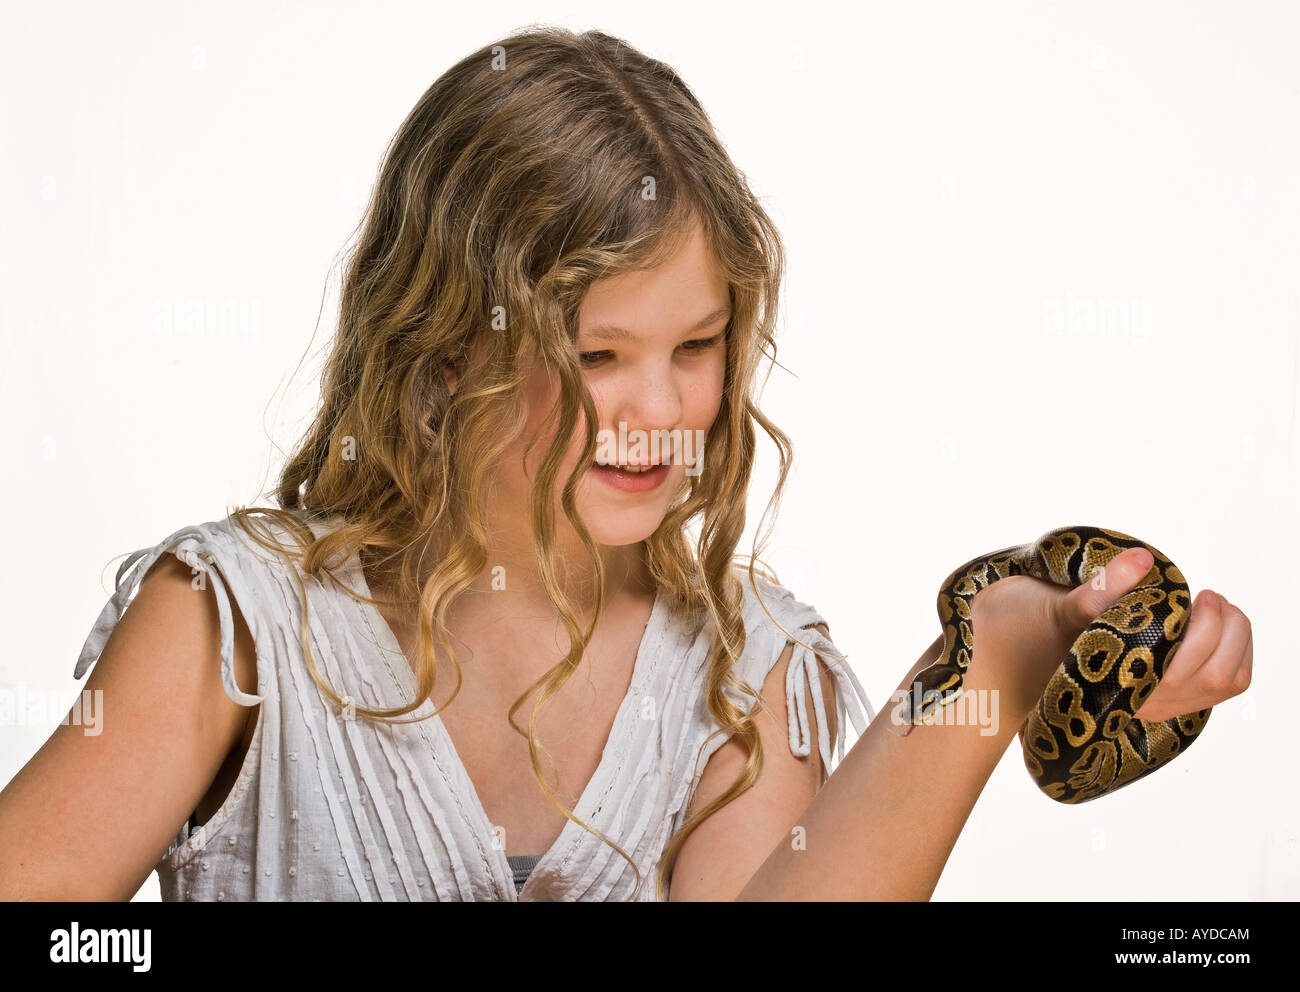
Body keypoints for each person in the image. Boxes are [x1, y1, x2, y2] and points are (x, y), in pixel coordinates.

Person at [0, 27, 1252, 902]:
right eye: (596, 353)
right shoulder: (237, 623)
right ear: (442, 345)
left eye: (697, 345)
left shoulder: (744, 672)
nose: (659, 408)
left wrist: (1004, 650)